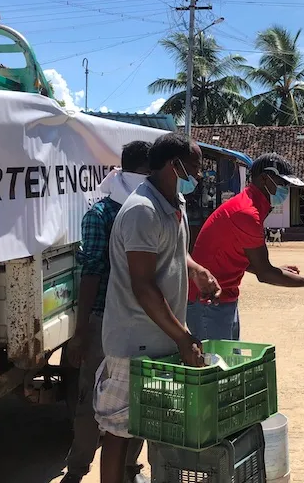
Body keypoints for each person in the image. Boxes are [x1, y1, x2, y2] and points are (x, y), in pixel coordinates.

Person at [94, 132, 221, 483]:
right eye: (195, 167)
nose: (200, 174)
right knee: (118, 430)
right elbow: (143, 285)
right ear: (173, 165)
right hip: (132, 341)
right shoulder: (142, 211)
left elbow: (175, 252)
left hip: (160, 338)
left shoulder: (174, 202)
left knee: (146, 424)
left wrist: (197, 271)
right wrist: (183, 337)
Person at [60, 140, 151, 483]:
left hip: (142, 322)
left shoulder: (152, 209)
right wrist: (81, 331)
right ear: (141, 171)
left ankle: (129, 467)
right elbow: (92, 273)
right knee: (91, 400)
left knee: (140, 399)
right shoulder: (102, 214)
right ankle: (78, 469)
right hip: (105, 321)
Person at [187, 153, 304, 341]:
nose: (286, 189)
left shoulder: (250, 205)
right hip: (208, 302)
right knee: (215, 367)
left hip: (221, 298)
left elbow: (238, 257)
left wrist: (276, 270)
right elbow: (264, 273)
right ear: (265, 179)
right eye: (282, 183)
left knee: (228, 363)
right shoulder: (248, 213)